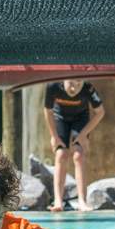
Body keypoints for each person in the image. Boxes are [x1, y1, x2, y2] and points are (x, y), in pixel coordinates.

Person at [44, 78, 105, 211]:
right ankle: (58, 201)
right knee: (61, 154)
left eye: (78, 84)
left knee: (78, 155)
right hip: (60, 117)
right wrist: (54, 136)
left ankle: (82, 201)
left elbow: (100, 112)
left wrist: (83, 134)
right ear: (64, 80)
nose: (74, 89)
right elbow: (48, 111)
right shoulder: (53, 85)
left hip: (80, 118)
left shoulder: (88, 88)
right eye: (71, 84)